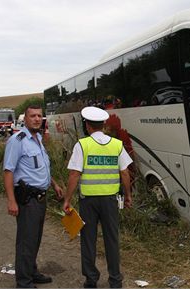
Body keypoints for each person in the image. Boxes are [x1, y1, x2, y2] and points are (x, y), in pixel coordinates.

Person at [63, 106, 133, 288]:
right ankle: (115, 280)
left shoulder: (82, 145)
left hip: (89, 201)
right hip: (110, 201)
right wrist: (128, 196)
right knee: (112, 240)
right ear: (103, 124)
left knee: (88, 241)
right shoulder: (117, 145)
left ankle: (91, 280)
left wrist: (67, 199)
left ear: (87, 125)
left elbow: (74, 175)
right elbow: (125, 173)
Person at [3, 105, 64, 288]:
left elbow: (41, 167)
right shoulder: (18, 140)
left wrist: (54, 184)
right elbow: (8, 171)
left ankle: (31, 271)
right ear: (25, 119)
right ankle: (24, 282)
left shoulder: (37, 139)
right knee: (26, 242)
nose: (37, 119)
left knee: (35, 239)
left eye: (39, 116)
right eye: (33, 116)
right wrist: (11, 200)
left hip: (40, 198)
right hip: (27, 200)